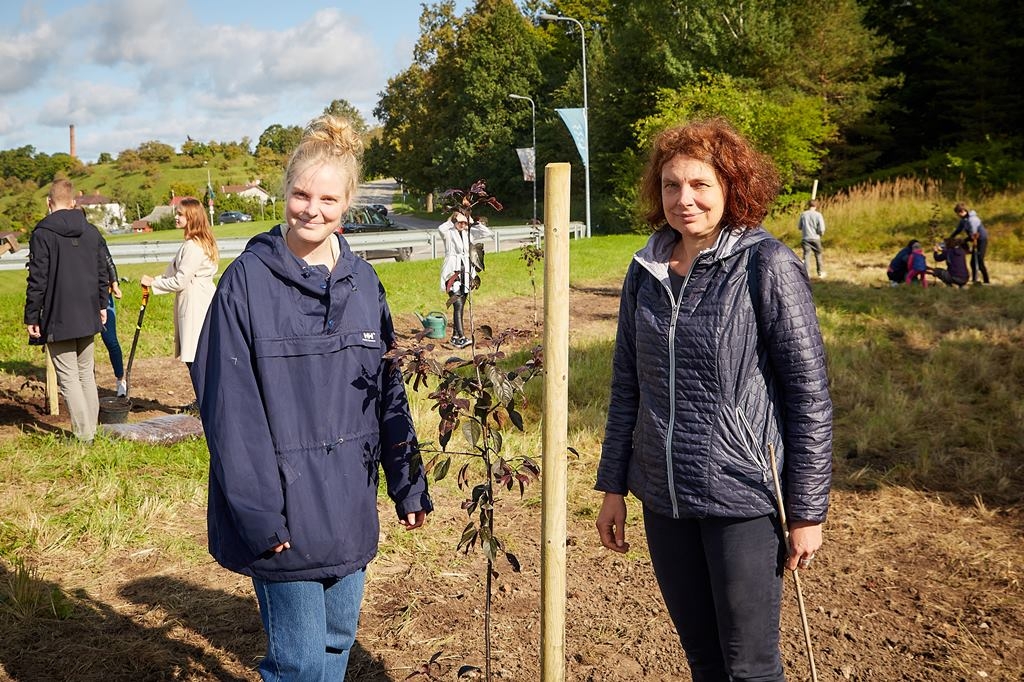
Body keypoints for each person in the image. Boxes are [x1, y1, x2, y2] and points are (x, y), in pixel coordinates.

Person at [191, 114, 432, 681]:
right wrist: (260, 516)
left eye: (328, 198)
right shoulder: (246, 283)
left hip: (349, 503)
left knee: (335, 645)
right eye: (301, 194)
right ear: (285, 193)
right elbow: (231, 412)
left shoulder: (364, 283)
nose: (312, 209)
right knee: (296, 664)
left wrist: (407, 480)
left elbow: (387, 389)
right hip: (284, 515)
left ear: (347, 204)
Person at [595, 118, 832, 681]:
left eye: (701, 184)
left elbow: (809, 395)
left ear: (731, 187)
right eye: (672, 185)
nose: (685, 200)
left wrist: (806, 510)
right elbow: (627, 383)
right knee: (702, 658)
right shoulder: (645, 270)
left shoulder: (767, 264)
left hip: (743, 496)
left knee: (749, 666)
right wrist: (612, 487)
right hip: (663, 497)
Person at [24, 179, 108, 441]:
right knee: (86, 374)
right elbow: (102, 271)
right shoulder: (91, 231)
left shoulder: (42, 234)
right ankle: (92, 431)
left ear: (49, 203)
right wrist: (102, 305)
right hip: (88, 310)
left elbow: (38, 278)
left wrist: (32, 315)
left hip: (58, 314)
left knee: (69, 377)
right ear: (73, 203)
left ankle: (84, 436)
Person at [140, 197, 218, 408]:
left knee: (196, 356)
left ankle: (205, 404)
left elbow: (181, 280)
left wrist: (153, 283)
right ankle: (204, 401)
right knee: (198, 355)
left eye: (180, 214)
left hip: (195, 303)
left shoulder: (194, 246)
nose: (176, 217)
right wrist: (158, 280)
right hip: (195, 299)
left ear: (191, 217)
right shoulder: (195, 243)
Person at [437, 209, 492, 348]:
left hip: (466, 272)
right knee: (457, 303)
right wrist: (453, 220)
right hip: (453, 272)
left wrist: (472, 222)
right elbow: (441, 228)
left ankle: (455, 336)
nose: (462, 225)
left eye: (464, 222)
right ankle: (461, 336)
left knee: (461, 303)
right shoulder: (449, 233)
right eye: (459, 222)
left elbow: (487, 232)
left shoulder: (469, 233)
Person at [99, 239, 127, 397]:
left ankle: (120, 379)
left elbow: (108, 260)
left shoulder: (93, 235)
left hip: (103, 294)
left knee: (110, 340)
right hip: (82, 297)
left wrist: (114, 284)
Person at [950, 202, 989, 284]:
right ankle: (974, 280)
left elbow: (974, 235)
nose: (957, 216)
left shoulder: (972, 220)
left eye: (957, 214)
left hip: (981, 239)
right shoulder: (964, 220)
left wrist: (965, 240)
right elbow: (958, 230)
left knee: (979, 260)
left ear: (961, 211)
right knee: (973, 262)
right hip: (975, 239)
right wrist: (950, 237)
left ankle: (986, 280)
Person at [798, 198, 826, 278]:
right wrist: (820, 234)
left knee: (806, 255)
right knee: (818, 254)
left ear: (808, 205)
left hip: (805, 238)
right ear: (816, 206)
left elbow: (799, 227)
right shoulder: (818, 215)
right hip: (815, 238)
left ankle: (807, 274)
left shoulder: (803, 214)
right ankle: (820, 272)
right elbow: (821, 229)